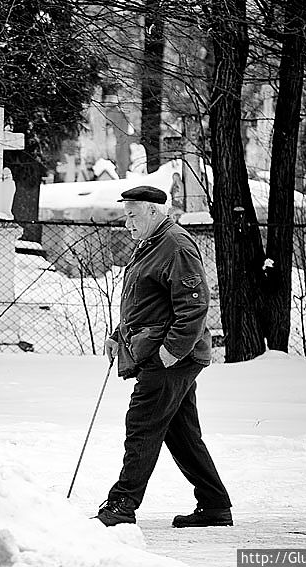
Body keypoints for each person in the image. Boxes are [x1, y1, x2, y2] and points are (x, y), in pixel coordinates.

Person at [94, 185, 232, 528]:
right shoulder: (152, 244)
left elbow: (195, 304)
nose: (127, 223)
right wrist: (118, 335)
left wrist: (171, 352)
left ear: (154, 212)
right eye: (125, 215)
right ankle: (214, 505)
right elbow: (146, 302)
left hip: (172, 356)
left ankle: (122, 504)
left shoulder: (176, 245)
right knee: (180, 432)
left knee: (142, 424)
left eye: (132, 214)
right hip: (163, 351)